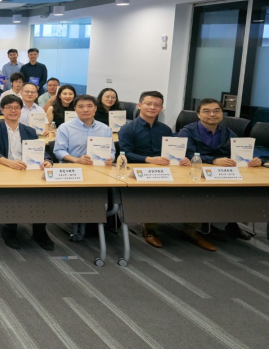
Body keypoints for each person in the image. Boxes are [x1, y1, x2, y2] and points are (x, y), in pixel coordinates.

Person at [118, 91, 198, 250]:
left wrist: (182, 158)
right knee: (155, 191)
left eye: (157, 105)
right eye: (148, 104)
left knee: (193, 186)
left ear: (161, 108)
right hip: (139, 170)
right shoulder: (128, 128)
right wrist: (149, 159)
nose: (152, 107)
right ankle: (150, 228)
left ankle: (191, 228)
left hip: (164, 168)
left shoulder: (165, 129)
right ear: (139, 105)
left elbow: (172, 151)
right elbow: (124, 154)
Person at [178, 98, 263, 241]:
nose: (212, 114)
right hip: (195, 174)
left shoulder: (228, 133)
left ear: (221, 114)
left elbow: (243, 151)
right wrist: (213, 160)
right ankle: (196, 227)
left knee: (239, 190)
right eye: (206, 111)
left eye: (216, 111)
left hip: (222, 173)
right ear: (198, 114)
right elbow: (186, 154)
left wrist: (256, 159)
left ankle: (231, 223)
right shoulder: (187, 132)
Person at [0, 96, 55, 250]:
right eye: (9, 107)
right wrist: (9, 163)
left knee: (42, 192)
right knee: (12, 193)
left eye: (17, 107)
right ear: (2, 110)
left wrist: (47, 160)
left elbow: (41, 151)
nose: (13, 110)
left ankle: (40, 231)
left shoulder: (29, 131)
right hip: (4, 169)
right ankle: (9, 230)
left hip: (26, 170)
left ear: (21, 110)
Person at [53, 94, 115, 165]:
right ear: (75, 109)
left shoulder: (105, 128)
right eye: (81, 107)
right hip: (73, 166)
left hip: (99, 166)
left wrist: (110, 158)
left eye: (89, 106)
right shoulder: (65, 128)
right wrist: (77, 160)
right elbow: (59, 151)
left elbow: (111, 151)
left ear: (95, 108)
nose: (85, 110)